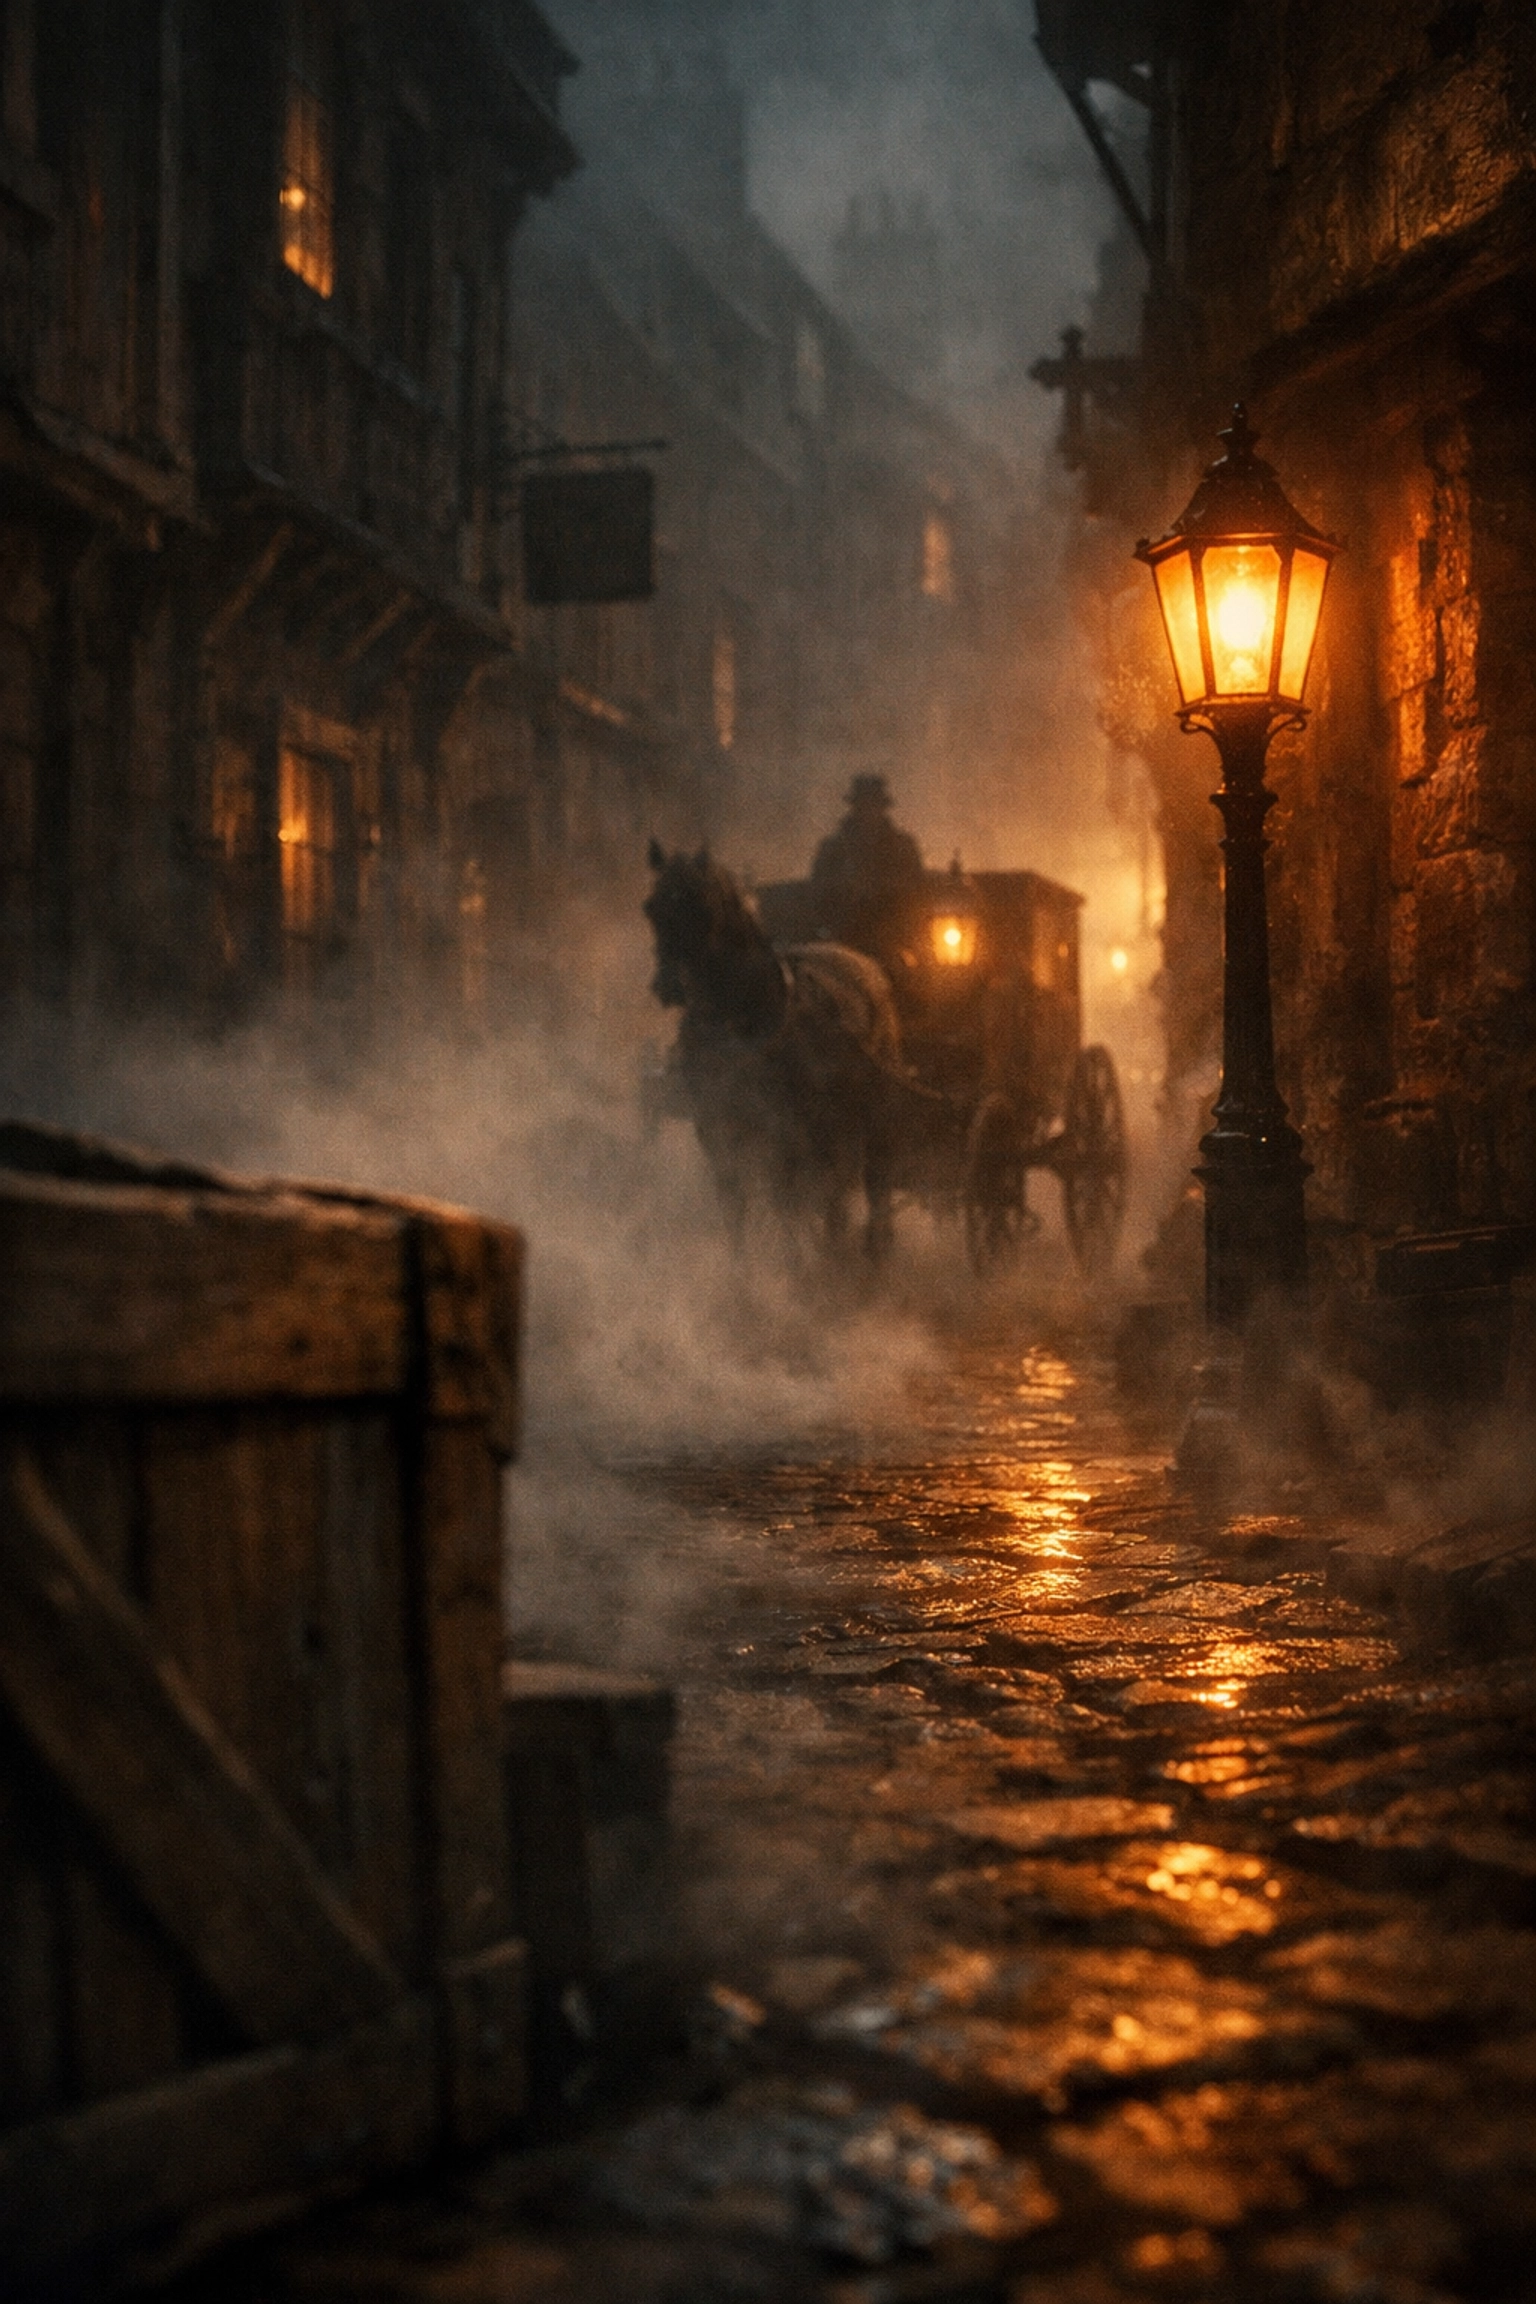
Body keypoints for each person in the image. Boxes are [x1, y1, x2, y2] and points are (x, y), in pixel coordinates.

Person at [807, 776, 926, 977]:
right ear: (854, 808)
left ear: (882, 808)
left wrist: (882, 888)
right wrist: (845, 887)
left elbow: (917, 889)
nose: (868, 812)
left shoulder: (902, 847)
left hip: (893, 933)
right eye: (863, 806)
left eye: (873, 805)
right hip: (845, 933)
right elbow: (819, 890)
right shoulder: (833, 849)